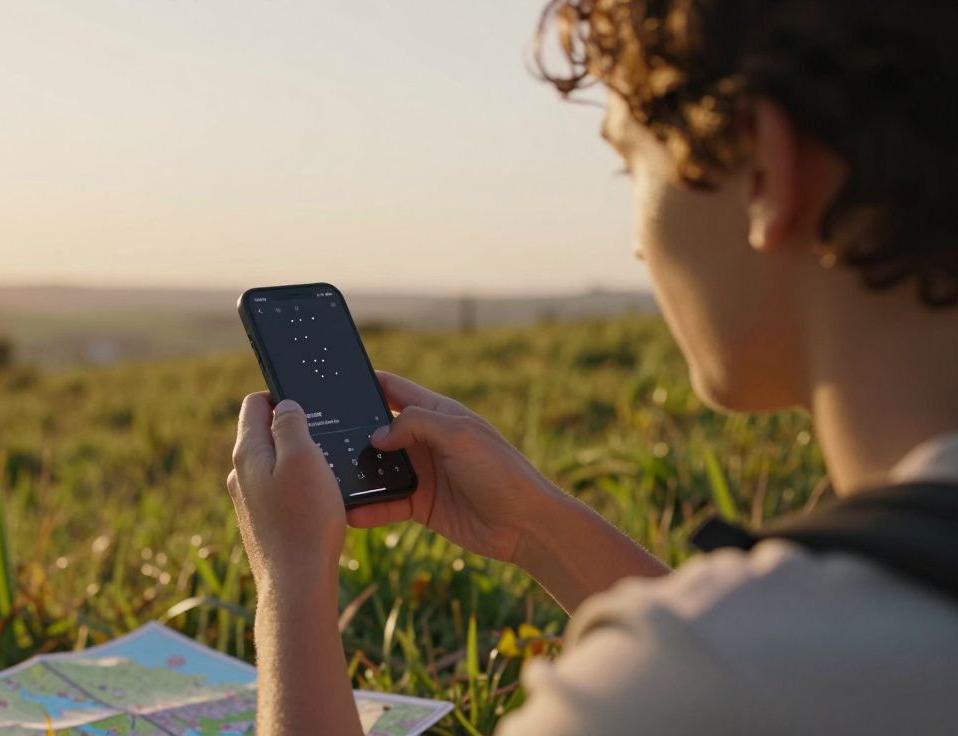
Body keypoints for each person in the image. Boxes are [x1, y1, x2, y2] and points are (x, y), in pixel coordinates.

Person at [226, 0, 958, 733]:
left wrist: (291, 586)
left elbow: (733, 680)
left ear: (765, 166)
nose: (638, 246)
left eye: (629, 164)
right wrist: (531, 525)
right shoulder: (815, 649)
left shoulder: (683, 684)